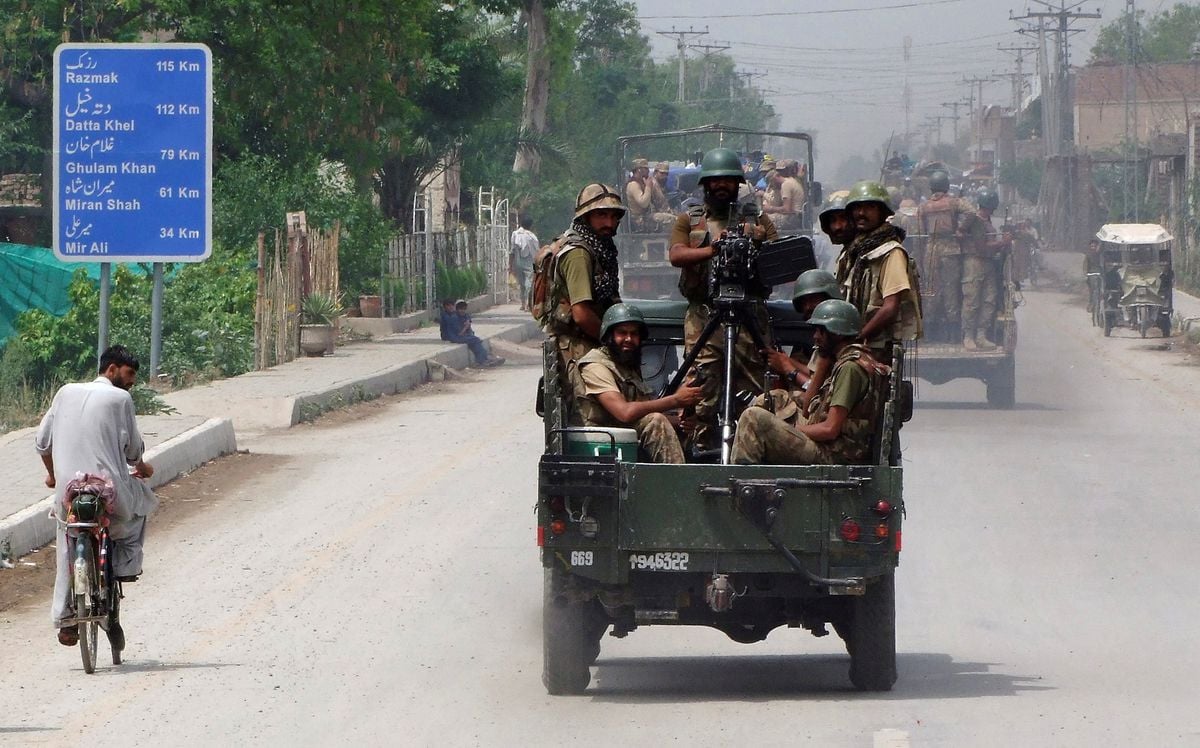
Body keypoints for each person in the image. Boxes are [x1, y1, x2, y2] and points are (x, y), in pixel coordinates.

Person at [35, 345, 158, 649]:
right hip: (108, 491)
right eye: (129, 374)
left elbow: (42, 444)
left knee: (67, 538)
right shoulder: (121, 399)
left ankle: (65, 619)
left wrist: (52, 476)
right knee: (142, 504)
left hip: (68, 492)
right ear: (112, 369)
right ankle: (126, 569)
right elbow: (132, 453)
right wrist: (143, 467)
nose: (131, 381)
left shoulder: (65, 392)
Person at [668, 147, 778, 451]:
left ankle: (751, 450)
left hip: (749, 314)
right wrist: (713, 250)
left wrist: (752, 248)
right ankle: (698, 450)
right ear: (705, 184)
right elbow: (677, 255)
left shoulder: (758, 221)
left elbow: (778, 262)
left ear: (738, 184)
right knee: (701, 390)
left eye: (729, 180)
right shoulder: (689, 220)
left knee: (756, 391)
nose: (721, 185)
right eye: (715, 180)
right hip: (706, 315)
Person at [732, 300, 886, 465]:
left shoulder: (850, 369)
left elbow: (830, 430)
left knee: (753, 418)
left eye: (821, 331)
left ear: (837, 333)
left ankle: (741, 482)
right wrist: (823, 360)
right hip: (833, 444)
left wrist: (791, 431)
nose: (815, 336)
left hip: (833, 454)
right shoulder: (854, 358)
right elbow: (807, 409)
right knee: (775, 398)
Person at [576, 304, 703, 463]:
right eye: (622, 333)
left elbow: (641, 413)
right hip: (600, 441)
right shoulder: (595, 365)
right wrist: (676, 400)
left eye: (634, 334)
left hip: (624, 433)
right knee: (656, 421)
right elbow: (624, 413)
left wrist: (681, 423)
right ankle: (680, 483)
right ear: (609, 335)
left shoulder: (627, 365)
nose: (629, 339)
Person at [542, 182, 626, 409]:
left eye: (613, 216)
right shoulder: (579, 253)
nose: (609, 223)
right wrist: (613, 344)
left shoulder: (601, 247)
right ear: (585, 217)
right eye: (601, 215)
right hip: (579, 346)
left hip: (588, 342)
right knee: (595, 416)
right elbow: (581, 314)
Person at [916, 170, 974, 342]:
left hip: (931, 251)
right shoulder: (954, 202)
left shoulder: (923, 207)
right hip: (951, 249)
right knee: (951, 292)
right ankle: (953, 336)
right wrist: (961, 229)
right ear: (947, 186)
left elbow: (919, 234)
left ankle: (930, 335)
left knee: (931, 292)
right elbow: (972, 212)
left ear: (931, 187)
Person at [959, 188, 1009, 351]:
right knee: (972, 300)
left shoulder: (986, 222)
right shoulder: (976, 221)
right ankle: (969, 336)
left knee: (989, 300)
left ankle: (981, 335)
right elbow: (981, 247)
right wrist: (1003, 242)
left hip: (988, 263)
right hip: (974, 262)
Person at [440, 299, 503, 367]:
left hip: (458, 336)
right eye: (460, 308)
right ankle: (483, 360)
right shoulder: (452, 317)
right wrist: (466, 327)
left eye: (464, 308)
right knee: (475, 340)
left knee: (474, 340)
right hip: (454, 337)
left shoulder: (460, 316)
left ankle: (484, 359)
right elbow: (459, 333)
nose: (462, 310)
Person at [625, 158, 673, 233]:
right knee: (672, 220)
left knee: (673, 218)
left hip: (646, 217)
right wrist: (648, 187)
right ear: (639, 170)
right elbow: (644, 203)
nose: (648, 171)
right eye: (646, 168)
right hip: (639, 221)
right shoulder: (633, 184)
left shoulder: (641, 182)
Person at [510, 215, 539, 309]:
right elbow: (537, 253)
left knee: (523, 284)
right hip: (531, 263)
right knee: (528, 284)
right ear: (531, 225)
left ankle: (524, 304)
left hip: (518, 262)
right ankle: (526, 303)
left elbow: (512, 251)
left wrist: (510, 265)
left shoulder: (515, 234)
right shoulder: (532, 237)